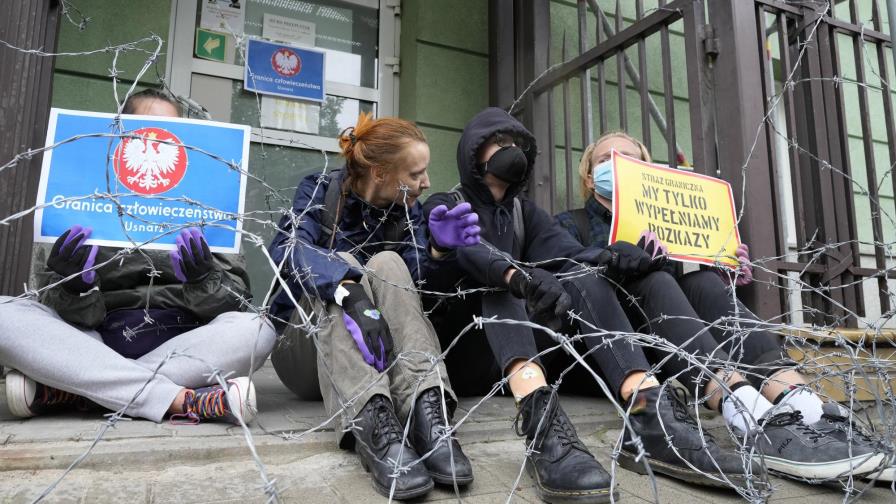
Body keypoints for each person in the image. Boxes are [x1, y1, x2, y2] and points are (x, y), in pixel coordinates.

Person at [423, 108, 766, 502]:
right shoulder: (446, 204)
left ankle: (649, 417)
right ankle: (544, 429)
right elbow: (473, 255)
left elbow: (570, 254)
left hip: (530, 348)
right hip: (471, 350)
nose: (511, 151)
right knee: (499, 286)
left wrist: (614, 257)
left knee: (584, 275)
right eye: (500, 143)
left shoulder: (525, 214)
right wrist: (502, 271)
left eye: (517, 144)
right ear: (474, 150)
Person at [555, 131, 888, 481]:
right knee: (655, 279)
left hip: (672, 350)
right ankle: (750, 416)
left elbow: (690, 294)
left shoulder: (671, 221)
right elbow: (565, 272)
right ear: (590, 178)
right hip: (611, 355)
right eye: (607, 158)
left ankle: (805, 406)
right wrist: (617, 258)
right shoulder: (568, 224)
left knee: (703, 283)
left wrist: (720, 265)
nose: (618, 163)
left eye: (629, 156)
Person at [0, 88, 276, 427]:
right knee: (5, 315)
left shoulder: (207, 204)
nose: (156, 141)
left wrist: (203, 281)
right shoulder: (80, 195)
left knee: (256, 328)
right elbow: (55, 311)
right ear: (121, 133)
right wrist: (77, 288)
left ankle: (78, 390)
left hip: (182, 345)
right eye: (144, 129)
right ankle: (180, 399)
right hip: (94, 340)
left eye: (171, 135)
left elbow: (237, 304)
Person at [267, 112, 480, 500]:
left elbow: (419, 293)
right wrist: (348, 290)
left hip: (383, 353)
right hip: (306, 351)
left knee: (389, 263)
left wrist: (438, 251)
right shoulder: (320, 190)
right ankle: (374, 424)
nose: (427, 183)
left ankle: (425, 412)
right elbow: (287, 251)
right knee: (346, 265)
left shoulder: (408, 211)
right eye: (416, 174)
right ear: (380, 172)